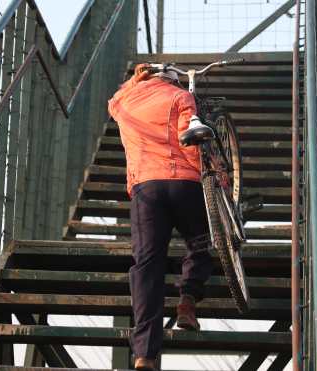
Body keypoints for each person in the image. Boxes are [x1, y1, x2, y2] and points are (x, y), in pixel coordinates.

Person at [108, 63, 215, 371]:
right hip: (185, 184)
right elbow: (190, 140)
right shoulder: (181, 97)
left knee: (147, 265)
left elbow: (112, 102)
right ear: (171, 80)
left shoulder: (124, 102)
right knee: (199, 244)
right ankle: (188, 300)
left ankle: (145, 354)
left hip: (146, 190)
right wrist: (214, 175)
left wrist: (132, 82)